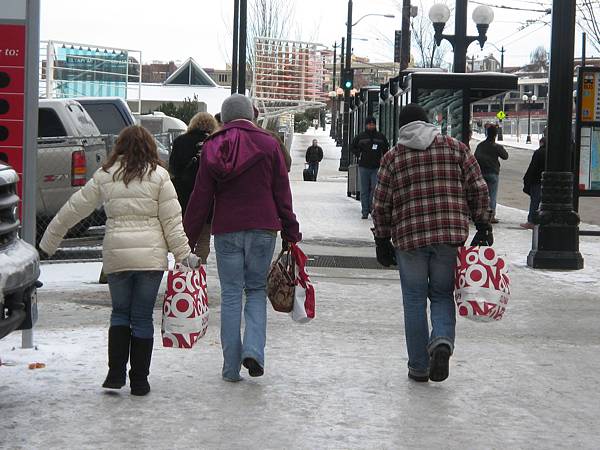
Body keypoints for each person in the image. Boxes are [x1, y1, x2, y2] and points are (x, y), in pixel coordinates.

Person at [39, 125, 199, 396]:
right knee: (142, 317)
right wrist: (184, 256)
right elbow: (172, 222)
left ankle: (115, 374)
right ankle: (139, 380)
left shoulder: (106, 176)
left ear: (120, 147)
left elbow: (73, 209)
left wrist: (47, 245)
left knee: (120, 313)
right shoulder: (160, 176)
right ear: (150, 147)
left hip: (118, 256)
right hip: (150, 259)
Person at [183, 94, 301, 382]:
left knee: (232, 295)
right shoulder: (270, 144)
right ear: (251, 114)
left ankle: (230, 367)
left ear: (223, 118)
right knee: (256, 291)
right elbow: (281, 194)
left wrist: (187, 235)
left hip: (226, 229)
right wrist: (290, 230)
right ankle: (254, 351)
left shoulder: (213, 146)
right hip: (263, 227)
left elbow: (201, 196)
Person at [372, 104, 492, 383]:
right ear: (427, 123)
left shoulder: (393, 157)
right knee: (441, 293)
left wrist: (381, 238)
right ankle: (441, 341)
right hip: (449, 235)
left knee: (413, 300)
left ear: (401, 128)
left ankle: (418, 366)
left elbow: (381, 203)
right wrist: (483, 223)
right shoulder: (456, 148)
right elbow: (478, 187)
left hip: (409, 237)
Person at [169, 112, 218, 262]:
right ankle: (199, 268)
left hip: (183, 197)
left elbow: (173, 169)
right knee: (203, 239)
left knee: (185, 237)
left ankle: (184, 271)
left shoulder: (180, 142)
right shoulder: (214, 143)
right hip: (207, 198)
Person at [351, 116, 390, 219]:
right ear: (366, 125)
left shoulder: (380, 137)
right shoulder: (361, 137)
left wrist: (383, 160)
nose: (371, 126)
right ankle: (365, 211)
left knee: (374, 189)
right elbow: (352, 147)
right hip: (364, 166)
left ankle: (371, 208)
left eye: (373, 124)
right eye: (369, 124)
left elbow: (386, 149)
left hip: (376, 167)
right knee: (364, 190)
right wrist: (359, 154)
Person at [474, 124, 508, 223]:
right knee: (492, 195)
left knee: (482, 195)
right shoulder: (496, 147)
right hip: (493, 173)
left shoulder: (480, 145)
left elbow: (476, 157)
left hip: (481, 173)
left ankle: (480, 213)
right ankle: (491, 216)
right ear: (495, 135)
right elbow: (505, 156)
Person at [521, 134, 547, 229]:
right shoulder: (552, 153)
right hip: (547, 182)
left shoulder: (538, 153)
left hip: (536, 181)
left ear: (541, 143)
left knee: (535, 202)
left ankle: (531, 221)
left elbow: (533, 168)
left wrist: (527, 180)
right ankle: (543, 220)